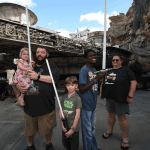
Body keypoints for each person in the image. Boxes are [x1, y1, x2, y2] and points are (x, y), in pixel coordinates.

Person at [16, 46, 60, 150]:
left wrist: (38, 77)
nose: (39, 54)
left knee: (48, 129)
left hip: (46, 106)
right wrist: (17, 85)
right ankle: (30, 145)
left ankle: (48, 144)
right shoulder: (29, 66)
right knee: (30, 131)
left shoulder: (51, 66)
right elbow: (17, 77)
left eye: (43, 52)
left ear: (47, 54)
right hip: (30, 107)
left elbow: (55, 79)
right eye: (38, 52)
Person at [100, 53, 137, 150]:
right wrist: (101, 92)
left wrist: (130, 95)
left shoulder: (126, 70)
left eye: (117, 60)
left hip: (121, 98)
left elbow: (133, 82)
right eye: (113, 60)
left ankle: (125, 138)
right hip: (109, 98)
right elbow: (103, 82)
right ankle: (110, 130)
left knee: (122, 118)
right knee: (110, 115)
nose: (115, 61)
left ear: (121, 61)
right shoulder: (108, 71)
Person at [78, 49, 106, 150]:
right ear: (86, 59)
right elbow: (81, 89)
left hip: (93, 104)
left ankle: (93, 148)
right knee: (87, 130)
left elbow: (95, 87)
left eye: (95, 55)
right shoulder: (84, 70)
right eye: (90, 56)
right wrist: (95, 79)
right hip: (85, 105)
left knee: (92, 129)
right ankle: (88, 148)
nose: (94, 57)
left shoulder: (94, 71)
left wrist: (101, 78)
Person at [59, 76, 82, 150]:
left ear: (76, 85)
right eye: (68, 85)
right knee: (65, 143)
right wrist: (62, 124)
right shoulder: (64, 97)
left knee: (74, 146)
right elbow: (60, 111)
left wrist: (73, 128)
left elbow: (78, 114)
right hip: (65, 126)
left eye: (72, 85)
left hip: (73, 127)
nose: (70, 87)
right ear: (66, 86)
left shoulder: (77, 98)